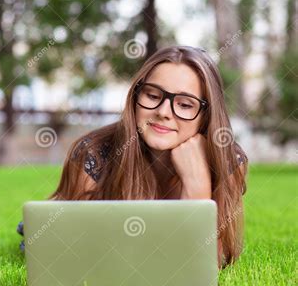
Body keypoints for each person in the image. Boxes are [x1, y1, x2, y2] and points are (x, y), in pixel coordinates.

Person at [17, 45, 248, 269]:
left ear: (206, 117)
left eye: (185, 104)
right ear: (136, 95)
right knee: (42, 238)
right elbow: (82, 254)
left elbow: (209, 262)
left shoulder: (228, 161)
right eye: (152, 95)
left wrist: (197, 186)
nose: (163, 112)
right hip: (90, 236)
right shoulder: (93, 154)